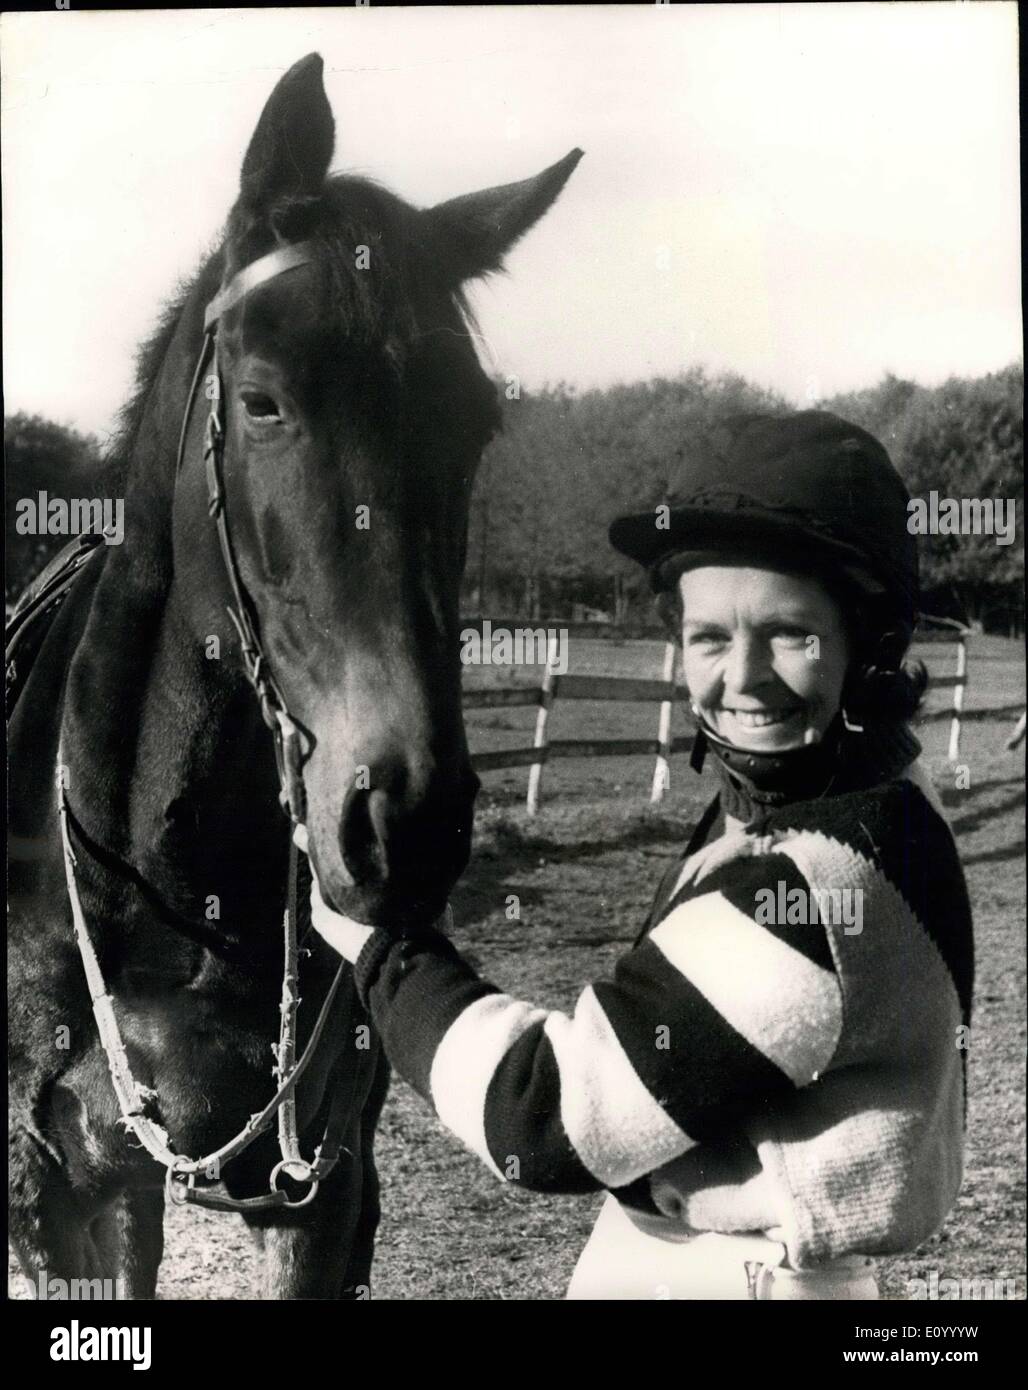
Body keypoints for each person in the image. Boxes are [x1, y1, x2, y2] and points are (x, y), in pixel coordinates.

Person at [302, 411, 974, 1300]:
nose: (742, 677)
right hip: (697, 1259)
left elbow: (540, 1116)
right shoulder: (826, 800)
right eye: (709, 637)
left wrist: (383, 946)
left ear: (872, 643)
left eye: (788, 634)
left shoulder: (831, 873)